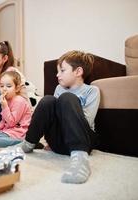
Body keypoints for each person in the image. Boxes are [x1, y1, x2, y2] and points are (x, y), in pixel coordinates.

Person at [18, 50, 100, 184]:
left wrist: (68, 105)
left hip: (83, 141)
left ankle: (80, 160)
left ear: (78, 72)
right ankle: (28, 143)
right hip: (59, 143)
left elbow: (88, 121)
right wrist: (50, 140)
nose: (57, 75)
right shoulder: (59, 88)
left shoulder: (92, 90)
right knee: (48, 100)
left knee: (67, 98)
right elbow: (52, 117)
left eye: (62, 70)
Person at [0, 71, 32, 147]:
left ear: (17, 88)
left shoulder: (19, 101)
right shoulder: (7, 100)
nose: (4, 89)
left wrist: (5, 106)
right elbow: (4, 121)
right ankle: (7, 141)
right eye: (2, 86)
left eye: (8, 86)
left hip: (18, 133)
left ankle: (22, 143)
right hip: (7, 131)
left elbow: (12, 122)